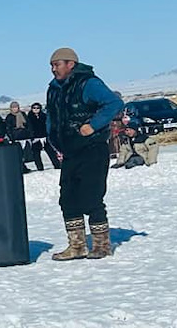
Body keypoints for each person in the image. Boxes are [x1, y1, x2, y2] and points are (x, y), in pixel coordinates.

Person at [44, 46, 124, 261]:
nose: (53, 69)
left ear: (70, 64)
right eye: (51, 65)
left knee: (92, 197)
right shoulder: (53, 88)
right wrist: (53, 139)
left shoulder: (88, 83)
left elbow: (114, 103)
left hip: (92, 148)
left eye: (57, 64)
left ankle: (101, 245)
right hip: (70, 151)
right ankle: (77, 246)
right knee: (67, 199)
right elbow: (51, 115)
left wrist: (93, 125)